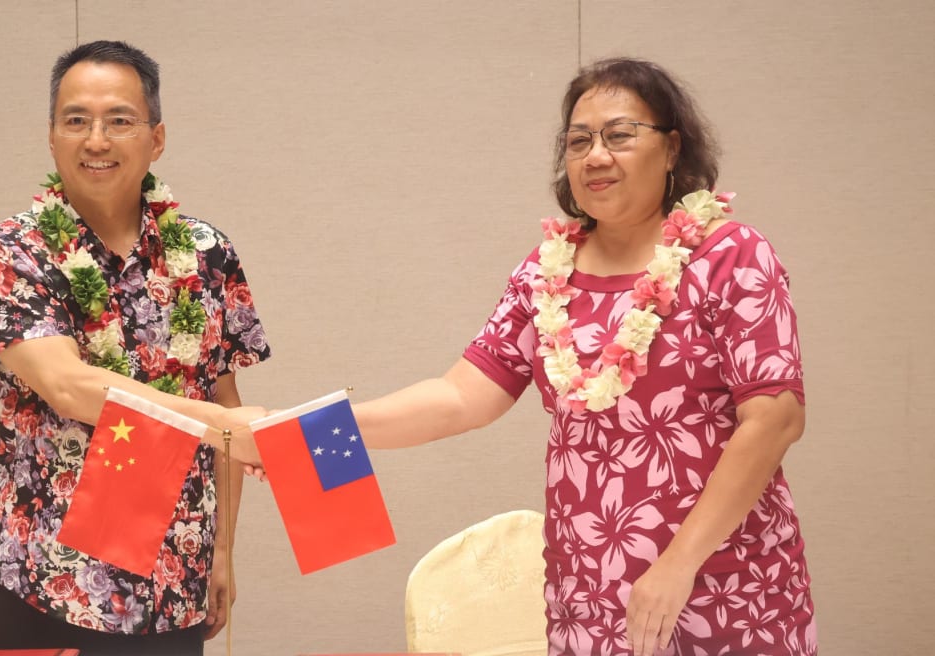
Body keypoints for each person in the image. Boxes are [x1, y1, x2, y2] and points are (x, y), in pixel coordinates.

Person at [349, 58, 817, 655]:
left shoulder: (730, 255)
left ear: (672, 149)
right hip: (588, 590)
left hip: (724, 586)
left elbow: (776, 419)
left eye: (620, 135)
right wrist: (326, 429)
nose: (595, 156)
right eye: (578, 141)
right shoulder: (544, 274)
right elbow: (462, 397)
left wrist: (677, 566)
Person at [0, 40, 269, 656]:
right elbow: (71, 387)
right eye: (76, 120)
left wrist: (223, 551)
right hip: (43, 581)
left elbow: (225, 393)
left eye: (119, 121)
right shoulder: (9, 253)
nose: (96, 140)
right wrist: (224, 426)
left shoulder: (208, 254)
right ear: (51, 137)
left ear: (156, 139)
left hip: (170, 582)